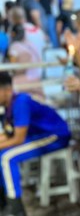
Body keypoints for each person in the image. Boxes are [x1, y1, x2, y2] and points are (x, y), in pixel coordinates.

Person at [0, 71, 71, 216]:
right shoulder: (8, 106)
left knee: (6, 157)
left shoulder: (21, 102)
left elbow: (18, 139)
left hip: (56, 136)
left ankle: (16, 209)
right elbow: (8, 134)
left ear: (7, 89)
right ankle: (4, 203)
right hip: (38, 136)